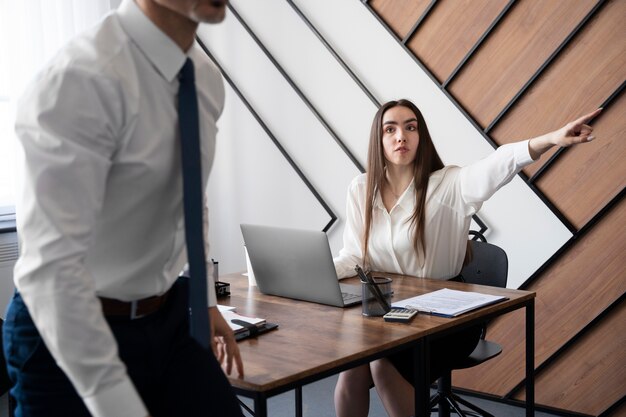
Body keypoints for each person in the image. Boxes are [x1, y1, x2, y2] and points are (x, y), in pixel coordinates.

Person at [2, 1, 245, 416]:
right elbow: (51, 271)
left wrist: (203, 302)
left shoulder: (205, 79)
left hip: (167, 317)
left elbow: (189, 196)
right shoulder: (81, 79)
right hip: (68, 324)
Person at [332, 99, 600, 417]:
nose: (400, 136)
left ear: (422, 137)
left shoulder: (451, 184)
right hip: (390, 317)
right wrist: (314, 273)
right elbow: (353, 256)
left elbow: (501, 163)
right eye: (390, 129)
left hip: (446, 319)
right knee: (353, 365)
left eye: (410, 127)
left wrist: (551, 139)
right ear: (378, 139)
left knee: (381, 360)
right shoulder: (360, 188)